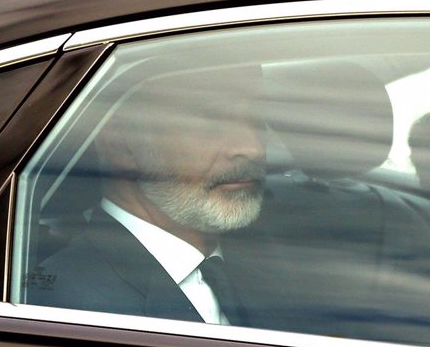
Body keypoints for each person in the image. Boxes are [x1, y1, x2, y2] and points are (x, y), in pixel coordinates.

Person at [24, 67, 268, 324]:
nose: (253, 148)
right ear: (120, 143)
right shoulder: (65, 306)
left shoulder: (272, 264)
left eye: (259, 119)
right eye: (213, 120)